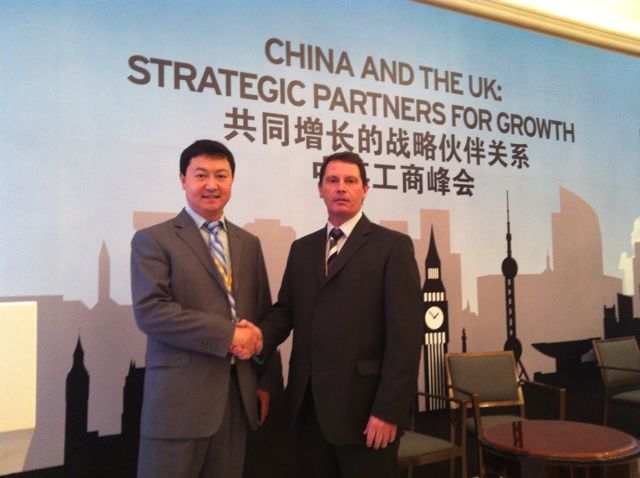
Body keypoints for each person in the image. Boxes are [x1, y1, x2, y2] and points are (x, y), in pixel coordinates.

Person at [258, 151, 423, 478]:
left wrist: (388, 411)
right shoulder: (302, 249)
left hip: (366, 414)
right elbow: (285, 312)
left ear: (365, 189)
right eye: (332, 180)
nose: (341, 187)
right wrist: (256, 337)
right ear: (320, 189)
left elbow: (405, 338)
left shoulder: (392, 247)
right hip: (308, 409)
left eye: (350, 181)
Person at [130, 139, 270, 478]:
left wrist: (266, 381)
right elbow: (152, 311)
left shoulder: (248, 243)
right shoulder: (154, 240)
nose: (212, 185)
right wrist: (228, 334)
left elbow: (263, 314)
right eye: (201, 175)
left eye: (221, 176)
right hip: (178, 402)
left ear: (232, 181)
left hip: (236, 398)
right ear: (183, 179)